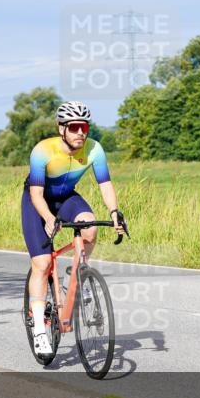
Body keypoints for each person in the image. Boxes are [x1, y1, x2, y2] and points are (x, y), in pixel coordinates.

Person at [22, 100, 125, 355]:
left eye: (85, 127)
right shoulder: (42, 150)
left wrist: (114, 213)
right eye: (75, 127)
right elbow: (36, 194)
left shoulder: (94, 149)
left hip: (67, 197)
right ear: (62, 128)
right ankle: (38, 328)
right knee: (43, 263)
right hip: (38, 201)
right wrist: (47, 218)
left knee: (90, 227)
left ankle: (74, 277)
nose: (81, 132)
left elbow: (105, 185)